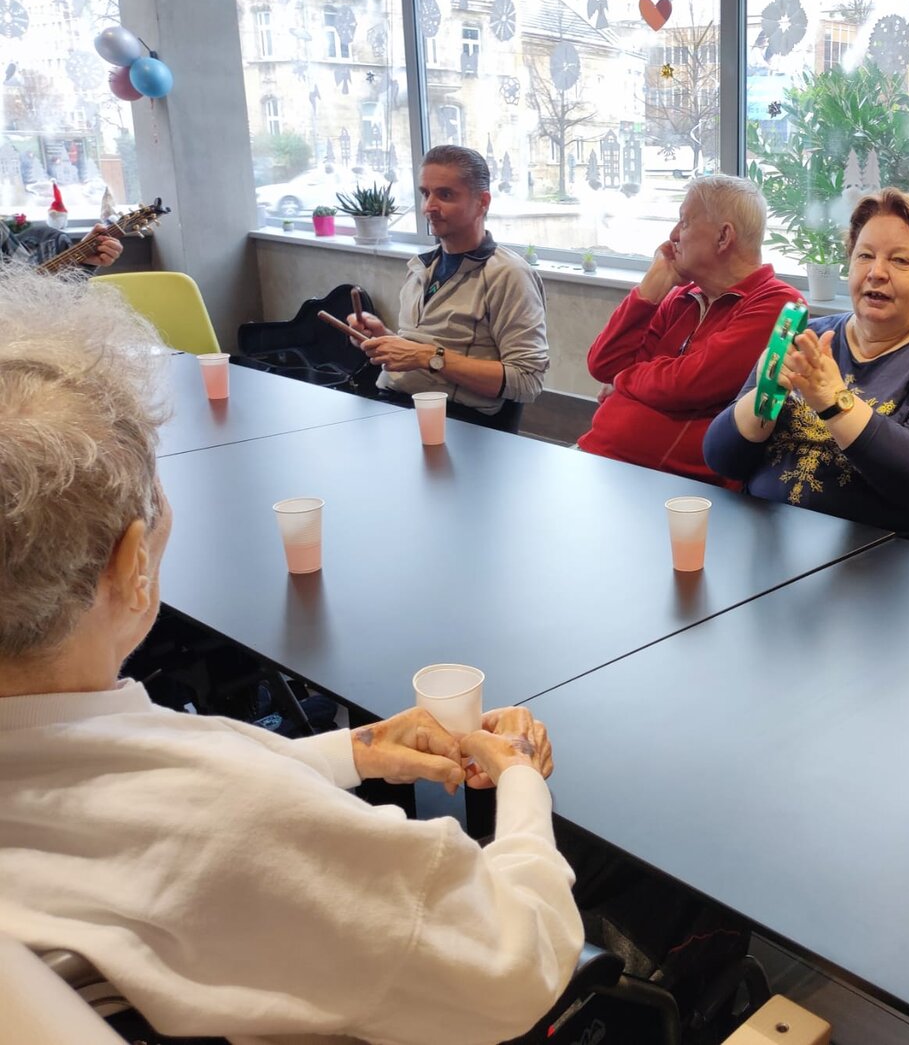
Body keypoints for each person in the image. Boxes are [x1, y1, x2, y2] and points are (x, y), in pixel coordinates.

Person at [0, 262, 583, 1045]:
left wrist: (353, 749)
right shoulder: (239, 827)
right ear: (132, 563)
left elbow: (138, 776)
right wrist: (520, 779)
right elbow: (516, 959)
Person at [703, 188, 909, 554]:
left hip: (895, 564)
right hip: (771, 549)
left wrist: (833, 401)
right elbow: (722, 459)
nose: (876, 273)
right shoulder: (810, 336)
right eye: (865, 256)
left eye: (900, 261)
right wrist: (765, 393)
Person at [578, 175, 801, 484]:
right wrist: (648, 292)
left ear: (723, 236)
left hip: (679, 487)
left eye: (684, 222)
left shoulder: (781, 305)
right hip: (599, 460)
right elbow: (603, 364)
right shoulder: (682, 296)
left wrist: (623, 380)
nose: (672, 235)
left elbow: (688, 384)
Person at [349, 145, 547, 431]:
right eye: (425, 193)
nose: (428, 207)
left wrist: (426, 356)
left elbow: (527, 381)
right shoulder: (421, 267)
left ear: (482, 202)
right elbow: (422, 350)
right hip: (392, 405)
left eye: (445, 195)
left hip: (458, 422)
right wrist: (384, 339)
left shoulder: (508, 275)